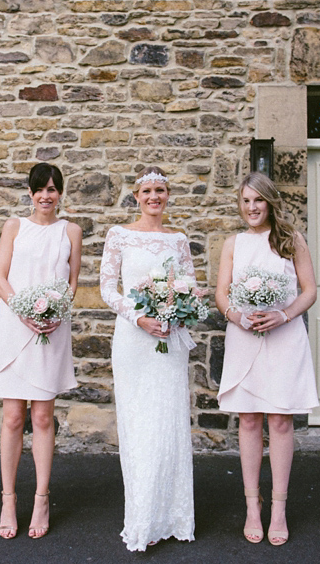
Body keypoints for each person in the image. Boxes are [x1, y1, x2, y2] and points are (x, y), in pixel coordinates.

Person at [214, 171, 319, 546]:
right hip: (245, 336)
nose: (251, 207)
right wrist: (238, 317)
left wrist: (283, 315)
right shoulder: (233, 243)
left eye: (258, 200)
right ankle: (252, 507)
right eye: (245, 201)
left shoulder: (292, 240)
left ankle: (278, 509)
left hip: (284, 336)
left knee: (280, 420)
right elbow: (222, 294)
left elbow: (309, 291)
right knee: (248, 421)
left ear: (269, 202)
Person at [0, 162, 82, 540]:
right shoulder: (14, 226)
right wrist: (25, 310)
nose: (46, 196)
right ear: (30, 192)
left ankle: (41, 497)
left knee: (42, 417)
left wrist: (55, 313)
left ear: (60, 193)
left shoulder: (71, 231)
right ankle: (8, 498)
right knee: (11, 418)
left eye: (53, 189)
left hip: (52, 329)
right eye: (40, 189)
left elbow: (71, 283)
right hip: (15, 324)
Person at [98, 166, 196, 552]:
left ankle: (174, 516)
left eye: (160, 190)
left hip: (168, 341)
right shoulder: (119, 236)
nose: (154, 196)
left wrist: (176, 313)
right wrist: (138, 316)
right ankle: (141, 517)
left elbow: (189, 287)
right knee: (138, 422)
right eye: (147, 191)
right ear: (136, 196)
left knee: (168, 421)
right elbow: (107, 287)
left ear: (167, 195)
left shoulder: (179, 239)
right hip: (133, 339)